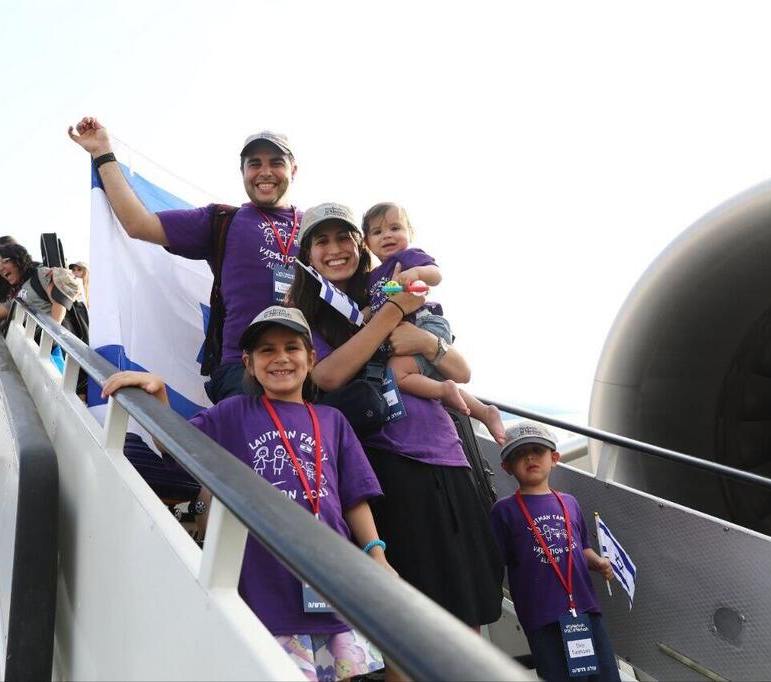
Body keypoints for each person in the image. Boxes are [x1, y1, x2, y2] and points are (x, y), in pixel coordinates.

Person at [101, 306, 389, 681]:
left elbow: (354, 496)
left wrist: (376, 553)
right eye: (267, 350)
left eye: (292, 347)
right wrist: (159, 399)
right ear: (250, 365)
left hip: (330, 576)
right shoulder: (232, 412)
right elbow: (179, 447)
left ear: (311, 358)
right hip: (263, 580)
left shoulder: (333, 421)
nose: (281, 357)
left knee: (343, 674)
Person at [287, 202, 504, 632]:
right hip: (387, 465)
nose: (334, 250)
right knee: (407, 620)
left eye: (343, 238)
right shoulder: (308, 315)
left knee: (468, 609)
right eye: (321, 241)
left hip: (449, 457)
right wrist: (392, 313)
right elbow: (327, 375)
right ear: (306, 255)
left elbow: (460, 371)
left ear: (359, 246)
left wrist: (424, 340)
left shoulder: (387, 285)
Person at [68, 116, 302, 403]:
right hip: (243, 370)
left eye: (276, 162)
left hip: (309, 367)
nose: (265, 172)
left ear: (294, 169)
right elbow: (138, 223)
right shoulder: (222, 220)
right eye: (254, 164)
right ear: (242, 171)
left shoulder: (321, 229)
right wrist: (102, 152)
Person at [361, 202, 506, 444]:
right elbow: (374, 305)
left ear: (409, 233)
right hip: (402, 332)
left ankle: (444, 391)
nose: (387, 235)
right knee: (431, 378)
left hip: (424, 323)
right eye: (377, 232)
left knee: (397, 373)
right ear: (367, 242)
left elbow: (435, 274)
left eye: (395, 228)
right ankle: (483, 411)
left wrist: (416, 273)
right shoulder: (372, 277)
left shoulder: (408, 257)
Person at [490, 421, 620, 682]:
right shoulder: (503, 511)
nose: (529, 457)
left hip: (585, 611)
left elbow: (581, 547)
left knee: (606, 675)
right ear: (506, 466)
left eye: (538, 450)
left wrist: (600, 563)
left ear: (554, 458)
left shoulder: (569, 502)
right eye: (518, 454)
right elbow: (495, 561)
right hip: (542, 617)